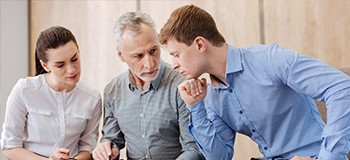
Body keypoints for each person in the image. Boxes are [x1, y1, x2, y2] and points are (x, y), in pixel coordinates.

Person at [158, 4, 350, 160]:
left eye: (176, 54)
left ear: (200, 44)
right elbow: (220, 157)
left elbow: (342, 87)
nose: (173, 65)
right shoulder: (213, 98)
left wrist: (328, 157)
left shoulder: (269, 60)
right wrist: (195, 107)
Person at [92, 11, 203, 160]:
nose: (150, 64)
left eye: (153, 50)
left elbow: (194, 148)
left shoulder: (182, 84)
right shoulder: (113, 90)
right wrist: (107, 149)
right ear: (121, 55)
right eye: (138, 56)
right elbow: (112, 140)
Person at [1, 26, 102, 160]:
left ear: (78, 51)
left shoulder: (92, 97)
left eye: (74, 59)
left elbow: (87, 148)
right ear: (45, 66)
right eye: (60, 65)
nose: (71, 70)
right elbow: (10, 147)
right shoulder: (24, 90)